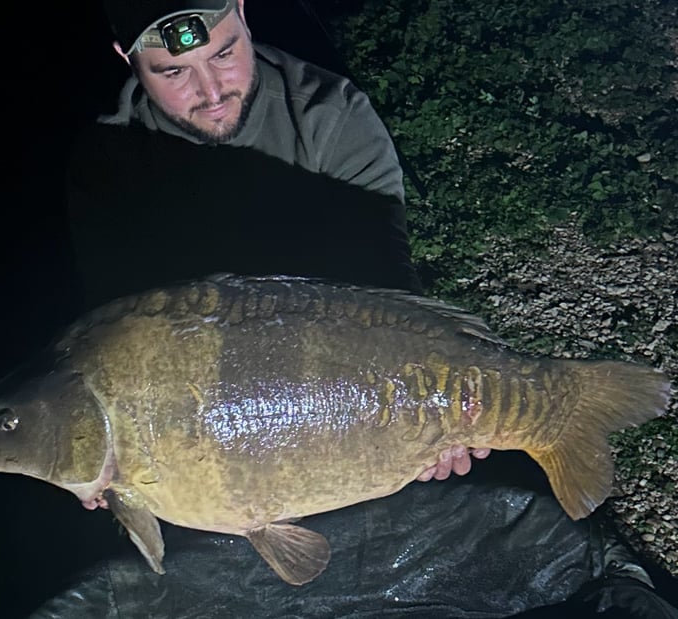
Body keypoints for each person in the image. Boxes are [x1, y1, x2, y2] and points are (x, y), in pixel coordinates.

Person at [45, 1, 677, 617]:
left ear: (244, 12)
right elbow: (116, 336)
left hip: (346, 375)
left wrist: (439, 404)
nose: (211, 90)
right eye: (173, 72)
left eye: (226, 53)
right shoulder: (107, 161)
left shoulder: (329, 113)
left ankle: (550, 408)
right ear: (126, 59)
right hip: (206, 403)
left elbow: (387, 286)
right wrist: (109, 451)